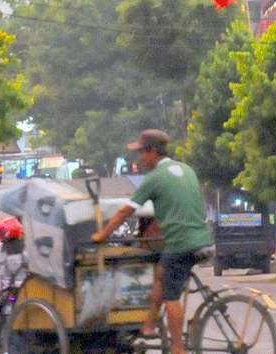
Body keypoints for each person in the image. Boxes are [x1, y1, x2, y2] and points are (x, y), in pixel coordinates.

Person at [91, 129, 213, 354]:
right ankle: (148, 325)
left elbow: (125, 212)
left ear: (153, 152)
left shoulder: (155, 177)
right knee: (161, 274)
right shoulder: (186, 169)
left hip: (181, 243)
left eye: (141, 153)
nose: (139, 159)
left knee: (171, 296)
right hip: (202, 238)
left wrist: (102, 235)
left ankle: (177, 348)